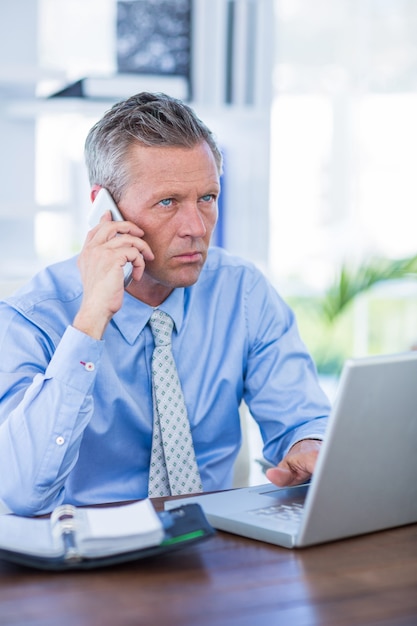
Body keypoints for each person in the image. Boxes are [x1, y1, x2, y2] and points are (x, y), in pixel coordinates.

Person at [0, 92, 330, 516]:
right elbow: (18, 493)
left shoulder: (242, 292)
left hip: (214, 546)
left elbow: (302, 418)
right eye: (167, 202)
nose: (196, 228)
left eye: (207, 198)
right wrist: (91, 319)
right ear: (107, 209)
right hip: (85, 559)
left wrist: (310, 446)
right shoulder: (32, 318)